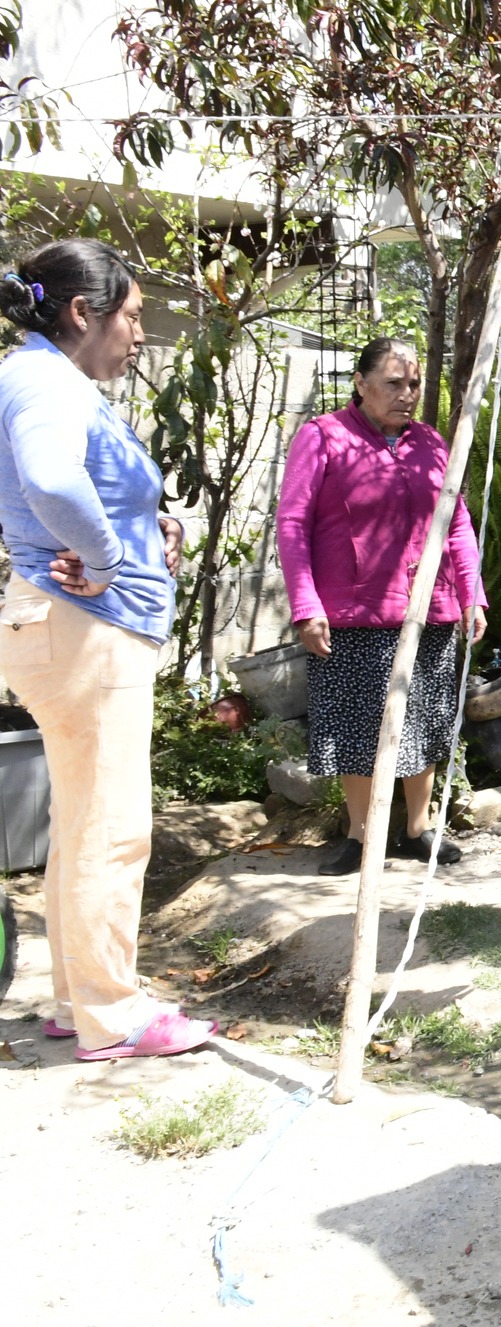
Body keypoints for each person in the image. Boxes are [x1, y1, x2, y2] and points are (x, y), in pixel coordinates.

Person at [0, 239, 215, 1060]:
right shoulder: (45, 380)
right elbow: (52, 482)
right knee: (113, 828)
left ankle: (74, 997)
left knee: (83, 822)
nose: (138, 332)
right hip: (81, 628)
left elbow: (80, 482)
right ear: (82, 313)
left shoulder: (42, 377)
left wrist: (144, 524)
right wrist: (105, 559)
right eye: (129, 315)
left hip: (64, 626)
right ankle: (111, 1012)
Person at [277, 338, 487, 877]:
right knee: (356, 727)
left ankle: (418, 829)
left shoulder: (432, 444)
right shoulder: (323, 437)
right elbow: (293, 524)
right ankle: (360, 834)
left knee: (426, 720)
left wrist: (471, 593)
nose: (407, 394)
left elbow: (456, 523)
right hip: (352, 613)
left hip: (426, 608)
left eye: (413, 383)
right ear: (361, 384)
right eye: (394, 383)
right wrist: (306, 603)